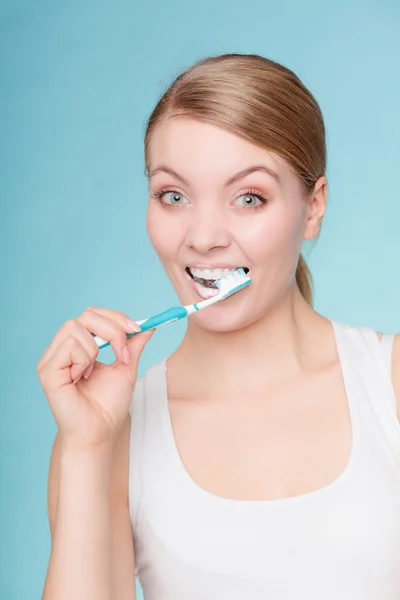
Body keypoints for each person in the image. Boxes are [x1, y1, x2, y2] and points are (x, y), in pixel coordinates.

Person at [38, 53, 400, 600]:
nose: (204, 236)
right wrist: (87, 448)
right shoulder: (111, 435)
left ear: (313, 207)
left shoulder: (388, 385)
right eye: (173, 196)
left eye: (248, 197)